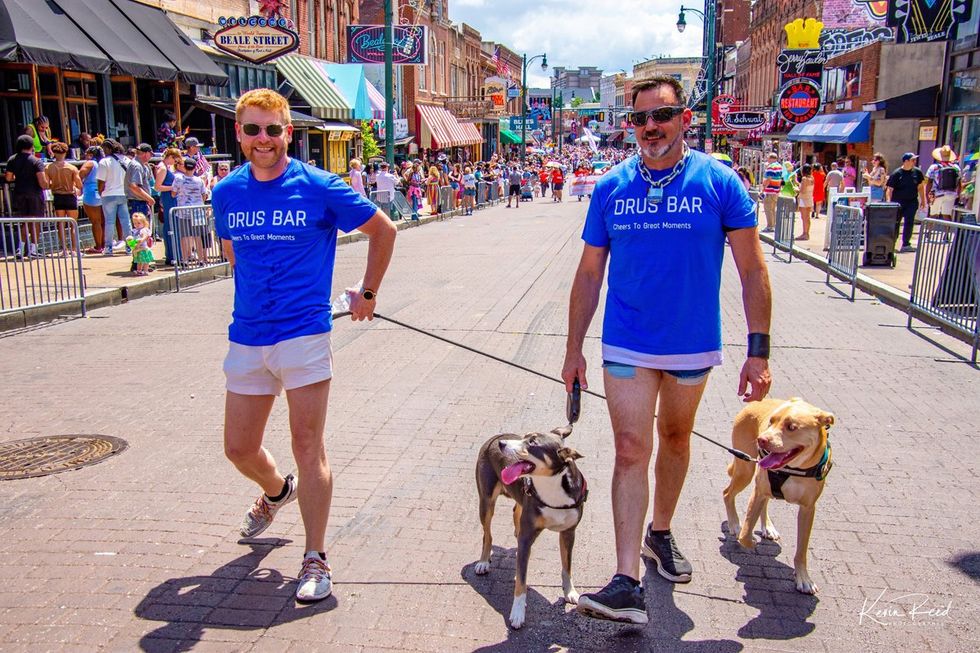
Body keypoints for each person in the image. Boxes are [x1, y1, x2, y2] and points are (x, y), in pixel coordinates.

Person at [562, 75, 771, 625]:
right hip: (626, 341)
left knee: (675, 439)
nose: (651, 127)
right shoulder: (611, 187)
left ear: (685, 118)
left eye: (662, 115)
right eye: (640, 118)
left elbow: (752, 269)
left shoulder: (719, 181)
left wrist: (759, 350)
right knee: (631, 448)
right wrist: (573, 350)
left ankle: (660, 531)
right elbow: (589, 273)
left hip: (691, 346)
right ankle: (626, 580)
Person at [211, 88, 397, 603]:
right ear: (239, 133)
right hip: (248, 335)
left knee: (307, 445)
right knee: (238, 448)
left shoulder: (318, 185)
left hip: (304, 335)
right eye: (253, 129)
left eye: (273, 129)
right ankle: (277, 491)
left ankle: (316, 558)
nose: (263, 139)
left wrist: (367, 294)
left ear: (288, 132)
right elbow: (234, 254)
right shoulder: (226, 192)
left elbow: (384, 231)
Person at [5, 134, 49, 259]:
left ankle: (21, 248)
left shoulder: (12, 159)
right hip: (35, 194)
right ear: (31, 146)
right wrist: (48, 184)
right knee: (36, 221)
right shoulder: (36, 161)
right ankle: (33, 249)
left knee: (24, 221)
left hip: (19, 193)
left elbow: (8, 177)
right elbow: (42, 182)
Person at [45, 142, 83, 254]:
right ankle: (74, 249)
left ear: (54, 153)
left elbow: (47, 184)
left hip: (58, 196)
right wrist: (73, 186)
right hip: (70, 196)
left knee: (61, 224)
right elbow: (79, 184)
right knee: (73, 224)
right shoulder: (72, 168)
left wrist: (55, 185)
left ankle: (64, 249)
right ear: (65, 153)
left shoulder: (48, 168)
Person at [96, 139, 132, 257]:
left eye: (104, 149)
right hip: (124, 193)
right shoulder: (127, 160)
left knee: (109, 222)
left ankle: (108, 247)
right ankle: (130, 247)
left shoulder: (104, 162)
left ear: (108, 148)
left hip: (108, 194)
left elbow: (101, 181)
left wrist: (100, 192)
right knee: (126, 222)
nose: (103, 151)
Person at [886, 152, 926, 253]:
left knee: (909, 222)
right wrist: (889, 202)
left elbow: (921, 187)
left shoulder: (917, 172)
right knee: (896, 223)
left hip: (911, 202)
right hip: (898, 203)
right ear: (906, 161)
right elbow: (889, 189)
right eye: (912, 160)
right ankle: (892, 244)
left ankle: (906, 244)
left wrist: (923, 200)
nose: (914, 162)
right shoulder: (897, 173)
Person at [171, 157, 208, 266]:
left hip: (183, 210)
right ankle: (201, 260)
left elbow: (173, 193)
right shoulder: (199, 180)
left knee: (185, 236)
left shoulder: (178, 178)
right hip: (197, 211)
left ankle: (185, 259)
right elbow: (204, 195)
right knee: (198, 236)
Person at [154, 148, 182, 265]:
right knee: (171, 225)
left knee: (173, 225)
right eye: (175, 160)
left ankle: (174, 254)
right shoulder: (163, 168)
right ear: (170, 157)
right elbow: (157, 187)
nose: (175, 163)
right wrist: (173, 187)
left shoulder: (165, 167)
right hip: (168, 198)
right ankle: (172, 255)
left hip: (171, 198)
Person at [79, 146, 105, 254]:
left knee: (96, 222)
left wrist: (79, 185)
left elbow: (80, 174)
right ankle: (104, 245)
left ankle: (98, 247)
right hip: (103, 193)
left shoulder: (90, 163)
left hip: (91, 193)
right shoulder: (103, 163)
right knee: (103, 221)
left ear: (91, 154)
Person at [926, 145, 961, 221]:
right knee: (947, 215)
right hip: (951, 194)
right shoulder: (956, 168)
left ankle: (929, 229)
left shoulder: (934, 167)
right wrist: (957, 195)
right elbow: (959, 183)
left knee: (933, 215)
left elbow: (929, 182)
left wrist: (927, 195)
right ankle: (948, 229)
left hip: (937, 194)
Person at [761, 152, 783, 232]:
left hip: (770, 191)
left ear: (770, 158)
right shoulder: (780, 166)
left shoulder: (771, 167)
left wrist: (763, 188)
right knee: (773, 209)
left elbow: (768, 179)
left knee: (768, 209)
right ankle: (773, 225)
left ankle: (770, 226)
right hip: (776, 191)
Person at [797, 164, 814, 241]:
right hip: (809, 198)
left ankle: (804, 233)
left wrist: (797, 189)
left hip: (803, 199)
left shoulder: (804, 179)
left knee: (804, 218)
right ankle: (807, 233)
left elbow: (803, 190)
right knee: (807, 217)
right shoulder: (812, 178)